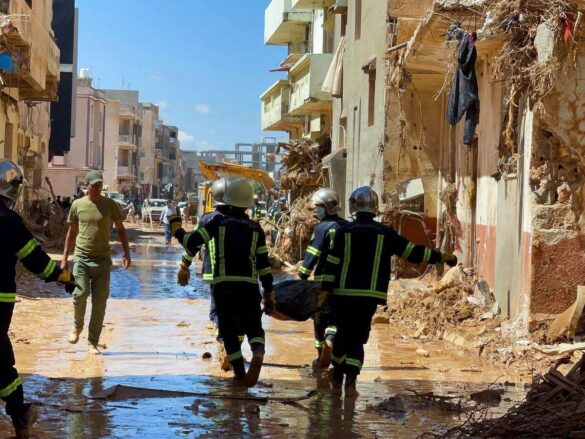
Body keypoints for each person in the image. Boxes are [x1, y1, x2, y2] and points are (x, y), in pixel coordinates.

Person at [321, 187, 457, 398]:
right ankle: (351, 383)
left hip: (343, 295)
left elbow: (331, 265)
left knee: (342, 334)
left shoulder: (342, 232)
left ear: (353, 207)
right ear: (375, 208)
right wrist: (440, 257)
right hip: (369, 297)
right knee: (358, 338)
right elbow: (412, 252)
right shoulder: (385, 233)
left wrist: (324, 292)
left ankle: (337, 376)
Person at [0, 160, 78, 438]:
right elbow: (36, 260)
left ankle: (19, 412)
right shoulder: (9, 222)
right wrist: (62, 276)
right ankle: (20, 414)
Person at [172, 179, 274, 387]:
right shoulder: (255, 228)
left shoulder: (216, 222)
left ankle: (239, 373)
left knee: (227, 330)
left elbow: (191, 243)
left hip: (223, 285)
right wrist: (269, 291)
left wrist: (177, 230)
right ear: (247, 204)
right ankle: (258, 352)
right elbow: (264, 265)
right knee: (254, 327)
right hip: (249, 285)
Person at [61, 170, 131, 355]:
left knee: (99, 303)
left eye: (100, 184)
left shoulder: (110, 205)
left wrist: (127, 253)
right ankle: (77, 326)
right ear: (88, 185)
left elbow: (122, 230)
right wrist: (64, 258)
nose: (98, 187)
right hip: (81, 258)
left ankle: (93, 342)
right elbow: (71, 232)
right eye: (95, 184)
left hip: (102, 261)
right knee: (80, 294)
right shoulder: (77, 205)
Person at [176, 179, 243, 371]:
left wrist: (184, 265)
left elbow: (193, 244)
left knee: (219, 312)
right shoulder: (245, 221)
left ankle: (224, 344)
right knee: (238, 314)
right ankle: (235, 347)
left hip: (216, 275)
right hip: (243, 278)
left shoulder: (209, 219)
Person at [298, 188, 348, 369]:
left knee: (319, 318)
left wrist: (303, 273)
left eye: (317, 207)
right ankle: (333, 344)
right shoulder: (346, 226)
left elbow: (313, 253)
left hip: (323, 280)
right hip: (344, 282)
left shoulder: (322, 228)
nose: (315, 211)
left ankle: (321, 357)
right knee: (336, 319)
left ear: (327, 207)